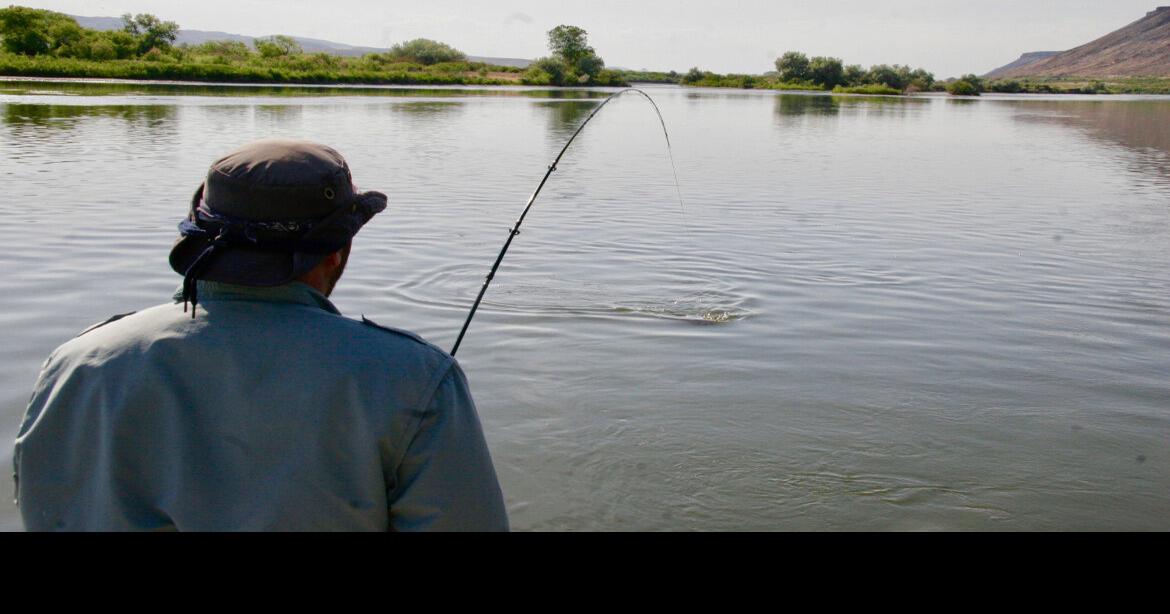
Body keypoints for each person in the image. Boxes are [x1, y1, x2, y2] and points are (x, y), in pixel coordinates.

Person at [13, 139, 508, 531]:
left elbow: (45, 506)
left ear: (198, 236)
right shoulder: (414, 378)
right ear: (336, 249)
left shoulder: (76, 362)